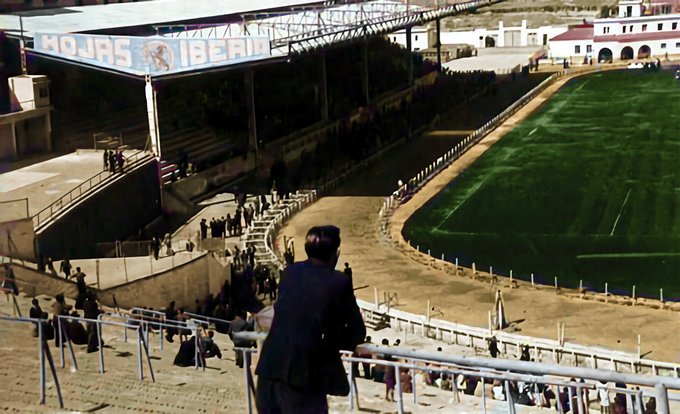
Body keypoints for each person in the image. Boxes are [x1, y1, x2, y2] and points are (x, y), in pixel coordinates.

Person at [255, 225, 366, 413]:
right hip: (302, 380)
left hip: (269, 370)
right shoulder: (339, 282)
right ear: (335, 254)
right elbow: (357, 333)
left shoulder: (289, 273)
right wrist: (329, 337)